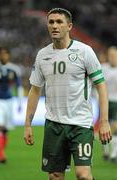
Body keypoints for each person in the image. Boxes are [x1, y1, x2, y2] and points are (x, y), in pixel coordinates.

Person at [24, 8, 112, 180]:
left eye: (59, 22)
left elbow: (101, 85)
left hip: (80, 124)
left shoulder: (84, 51)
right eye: (51, 22)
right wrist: (28, 124)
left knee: (83, 175)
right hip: (54, 125)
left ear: (69, 26)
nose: (54, 26)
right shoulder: (42, 55)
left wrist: (104, 121)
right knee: (55, 176)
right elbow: (35, 90)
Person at [0, 47, 23, 163]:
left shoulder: (14, 69)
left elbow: (19, 86)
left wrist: (20, 102)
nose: (4, 56)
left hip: (9, 101)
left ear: (9, 55)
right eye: (1, 54)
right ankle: (1, 155)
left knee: (5, 129)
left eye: (6, 54)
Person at [101, 46, 117, 162]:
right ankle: (106, 151)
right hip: (105, 102)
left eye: (114, 55)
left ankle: (113, 153)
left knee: (115, 127)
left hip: (116, 102)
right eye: (111, 55)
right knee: (104, 126)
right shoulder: (103, 68)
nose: (113, 58)